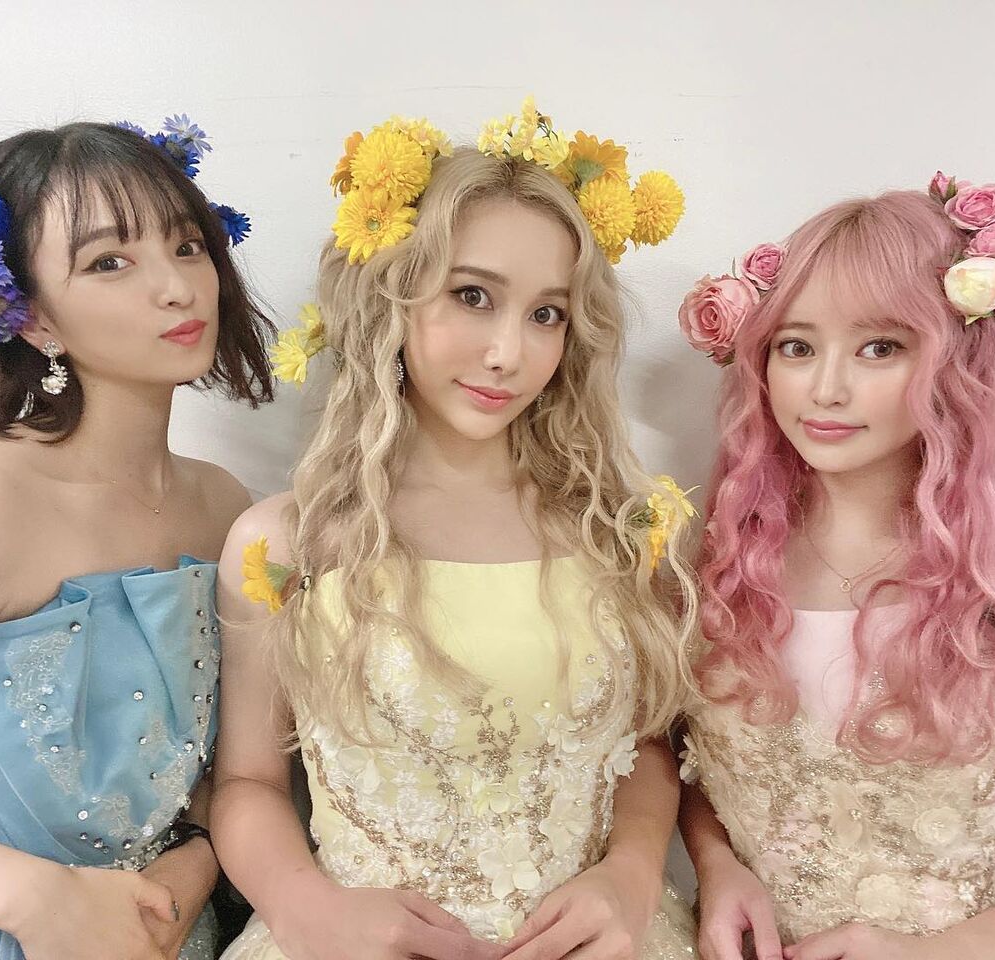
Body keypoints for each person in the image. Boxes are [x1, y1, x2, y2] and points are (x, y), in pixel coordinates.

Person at [211, 101, 701, 960]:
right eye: (472, 296)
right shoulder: (289, 544)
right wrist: (303, 907)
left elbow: (648, 744)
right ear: (392, 295)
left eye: (546, 313)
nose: (509, 353)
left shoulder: (614, 528)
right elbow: (248, 781)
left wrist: (630, 872)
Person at [676, 178, 995, 960]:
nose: (827, 388)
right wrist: (716, 864)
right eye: (797, 346)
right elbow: (688, 765)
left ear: (957, 358)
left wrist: (929, 956)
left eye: (880, 347)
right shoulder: (717, 576)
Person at [0, 115, 273, 960]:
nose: (177, 287)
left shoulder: (225, 507)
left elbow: (235, 766)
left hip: (168, 928)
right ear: (31, 318)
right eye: (109, 262)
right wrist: (37, 898)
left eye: (187, 245)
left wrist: (195, 865)